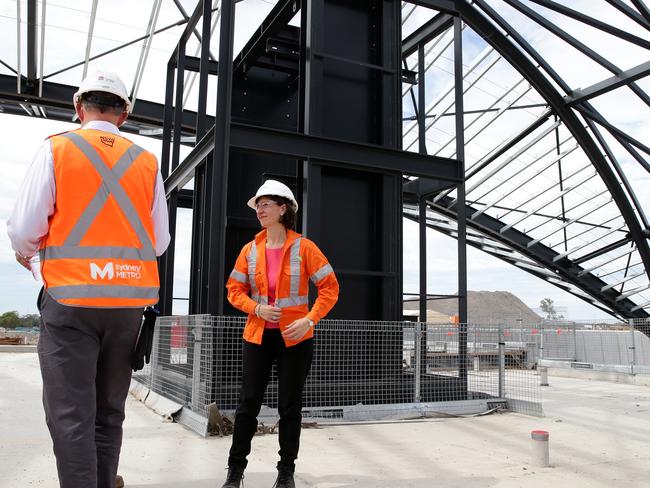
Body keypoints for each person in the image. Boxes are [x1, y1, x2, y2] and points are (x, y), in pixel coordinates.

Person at [7, 70, 170, 488]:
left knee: (70, 415)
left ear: (78, 107)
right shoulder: (146, 162)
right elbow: (160, 242)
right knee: (108, 410)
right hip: (128, 305)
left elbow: (24, 227)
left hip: (71, 299)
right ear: (125, 114)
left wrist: (28, 256)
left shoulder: (57, 149)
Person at [222, 180, 339, 488]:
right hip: (258, 336)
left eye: (266, 204)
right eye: (257, 205)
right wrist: (256, 309)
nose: (259, 210)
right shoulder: (249, 250)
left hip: (295, 338)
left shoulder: (305, 247)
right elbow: (234, 291)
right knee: (248, 404)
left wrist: (310, 320)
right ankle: (235, 472)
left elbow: (330, 288)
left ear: (283, 208)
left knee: (290, 406)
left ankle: (286, 472)